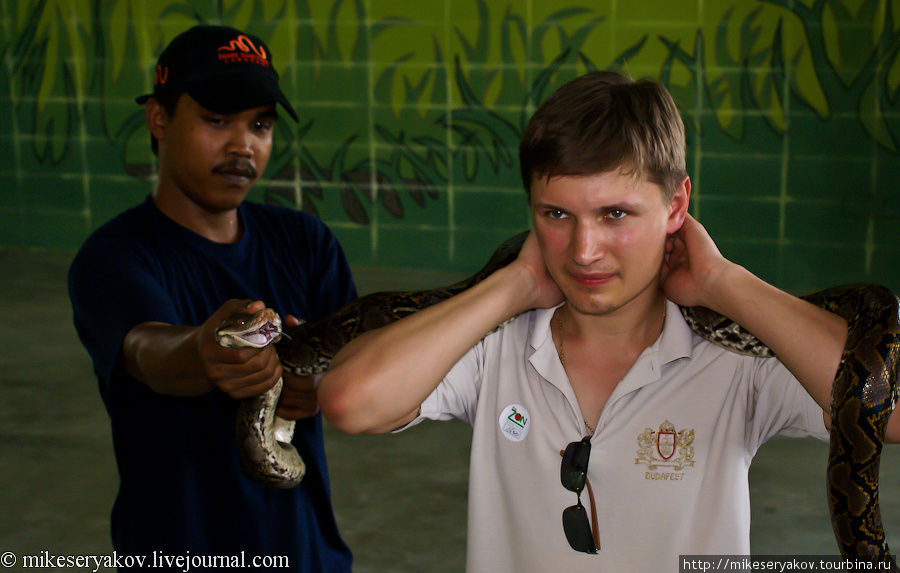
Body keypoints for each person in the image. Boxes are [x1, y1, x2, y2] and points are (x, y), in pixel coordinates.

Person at [317, 71, 900, 571]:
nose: (584, 250)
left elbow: (892, 411)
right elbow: (350, 400)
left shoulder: (738, 359)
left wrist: (725, 283)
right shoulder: (494, 346)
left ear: (676, 207)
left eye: (615, 213)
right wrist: (512, 285)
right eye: (556, 215)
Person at [68, 25, 356, 571]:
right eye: (216, 120)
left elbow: (360, 361)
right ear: (158, 118)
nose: (243, 145)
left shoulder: (306, 242)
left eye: (260, 125)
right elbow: (149, 351)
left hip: (306, 552)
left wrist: (318, 383)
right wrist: (205, 349)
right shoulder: (113, 257)